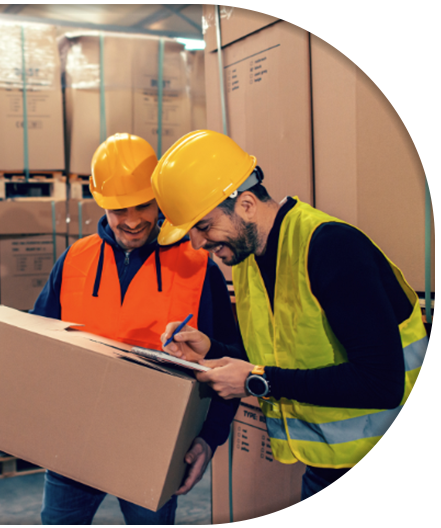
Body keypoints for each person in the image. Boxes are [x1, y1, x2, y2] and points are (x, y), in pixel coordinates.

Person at [153, 130, 435, 526]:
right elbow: (281, 356)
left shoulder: (331, 248)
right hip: (323, 480)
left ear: (246, 204)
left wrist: (254, 380)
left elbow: (382, 383)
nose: (198, 243)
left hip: (397, 489)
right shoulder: (248, 259)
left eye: (203, 225)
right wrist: (212, 350)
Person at [31, 133, 242, 525]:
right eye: (119, 209)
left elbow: (231, 358)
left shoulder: (197, 266)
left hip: (155, 445)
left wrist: (209, 438)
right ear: (101, 204)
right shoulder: (75, 260)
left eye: (143, 205)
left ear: (158, 198)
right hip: (74, 442)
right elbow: (37, 344)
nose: (132, 221)